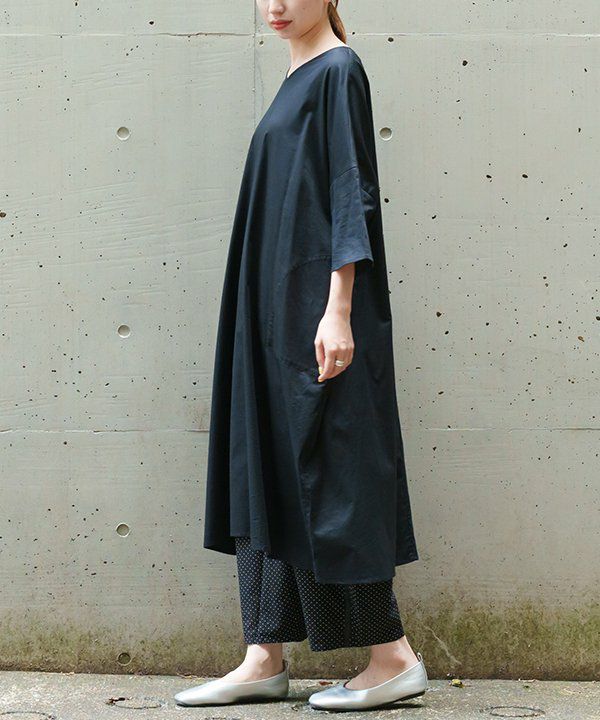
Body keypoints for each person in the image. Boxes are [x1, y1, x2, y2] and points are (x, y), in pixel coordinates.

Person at [174, 0, 429, 711]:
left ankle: (393, 657)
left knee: (333, 475)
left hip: (313, 312)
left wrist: (338, 307)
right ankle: (264, 657)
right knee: (268, 469)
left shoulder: (338, 70)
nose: (276, 4)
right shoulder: (295, 79)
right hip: (271, 313)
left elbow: (352, 189)